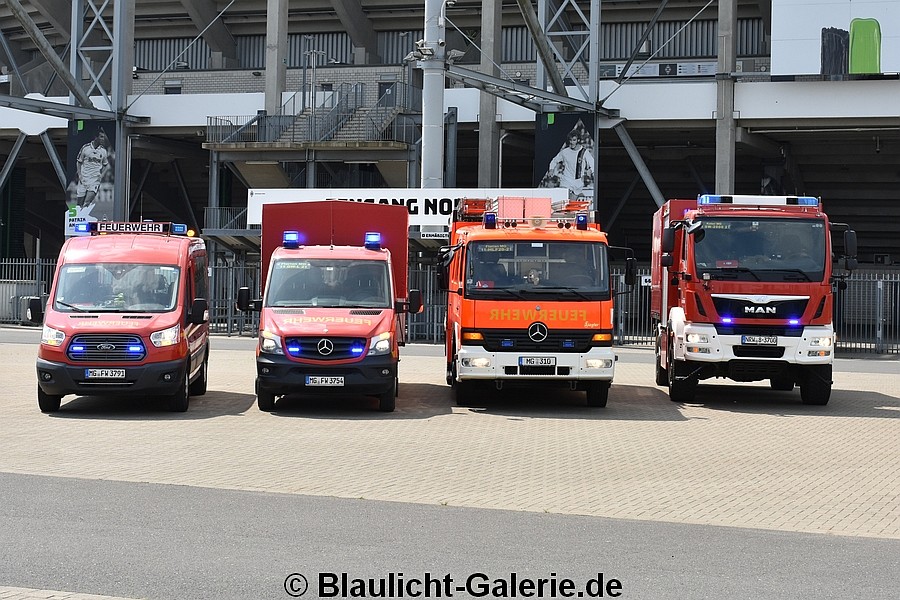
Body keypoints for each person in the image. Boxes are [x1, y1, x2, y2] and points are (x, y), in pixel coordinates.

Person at [540, 129, 594, 200]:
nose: (571, 142)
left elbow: (593, 164)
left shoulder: (584, 152)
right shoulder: (564, 152)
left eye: (574, 140)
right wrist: (551, 169)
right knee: (564, 201)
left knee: (571, 203)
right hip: (566, 180)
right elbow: (554, 160)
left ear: (578, 140)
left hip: (578, 182)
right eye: (570, 140)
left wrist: (590, 171)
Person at [74, 129, 110, 212]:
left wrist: (101, 175)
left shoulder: (103, 151)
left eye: (103, 137)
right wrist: (79, 175)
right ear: (95, 137)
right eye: (101, 137)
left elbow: (105, 165)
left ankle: (83, 220)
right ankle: (77, 219)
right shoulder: (85, 148)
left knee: (87, 203)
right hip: (83, 179)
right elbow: (79, 162)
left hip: (94, 181)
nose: (103, 139)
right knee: (79, 205)